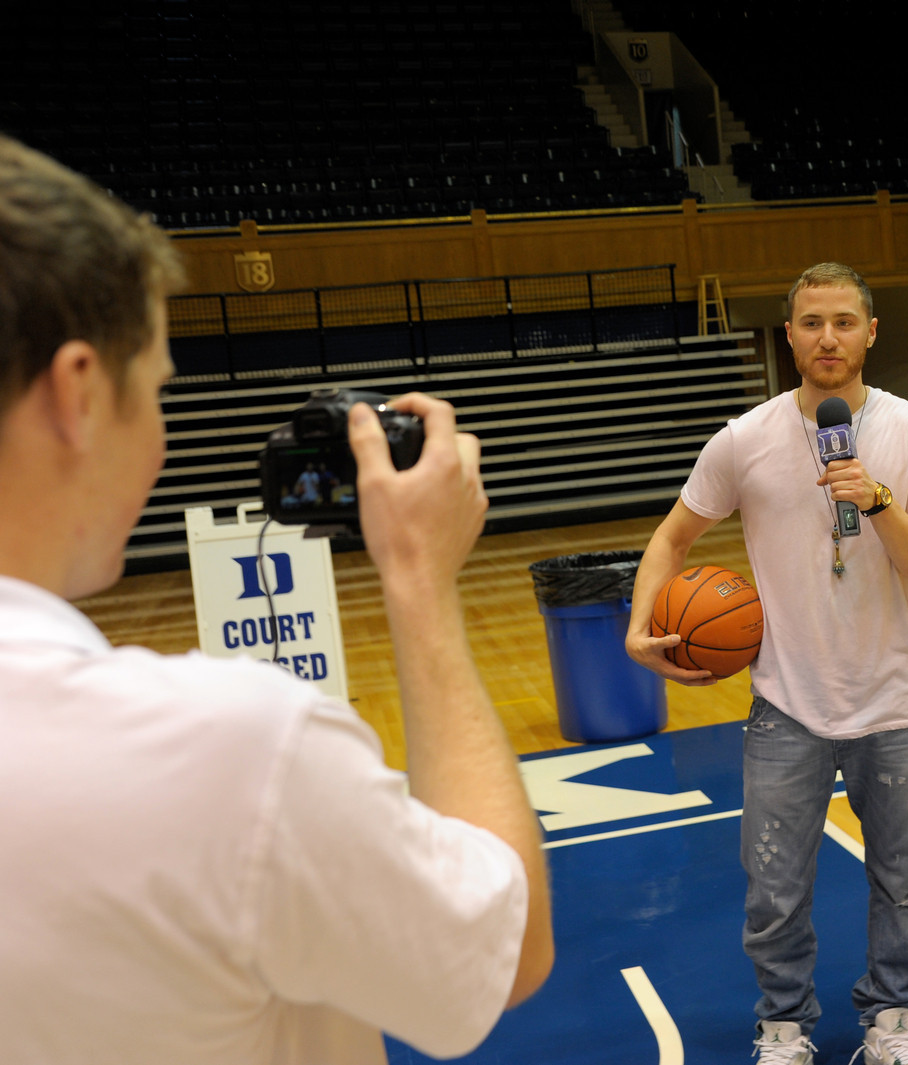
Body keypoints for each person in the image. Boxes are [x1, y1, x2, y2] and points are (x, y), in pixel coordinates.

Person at [0, 136, 553, 1063]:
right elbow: (504, 949)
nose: (164, 430)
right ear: (78, 393)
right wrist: (419, 581)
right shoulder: (230, 751)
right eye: (158, 388)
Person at [625, 263, 908, 1065]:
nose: (828, 338)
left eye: (845, 321)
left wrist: (877, 499)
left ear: (871, 331)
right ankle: (784, 1025)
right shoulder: (745, 438)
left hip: (894, 702)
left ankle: (889, 1021)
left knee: (903, 887)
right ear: (789, 334)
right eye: (812, 322)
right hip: (786, 704)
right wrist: (640, 625)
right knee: (774, 893)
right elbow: (671, 537)